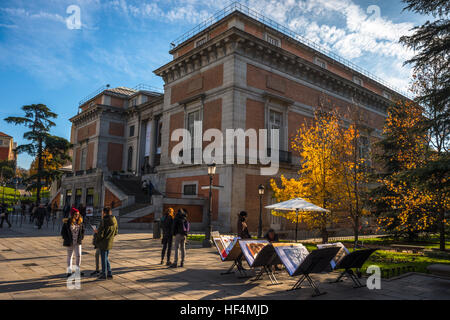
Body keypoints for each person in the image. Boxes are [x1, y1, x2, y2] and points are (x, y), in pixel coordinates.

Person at [94, 207, 118, 280]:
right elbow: (116, 232)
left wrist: (96, 233)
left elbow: (101, 234)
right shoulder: (114, 220)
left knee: (103, 259)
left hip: (103, 242)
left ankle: (104, 274)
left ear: (104, 212)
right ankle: (109, 273)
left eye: (102, 212)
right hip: (110, 241)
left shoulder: (104, 221)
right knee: (106, 258)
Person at [61, 208, 85, 277]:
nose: (77, 215)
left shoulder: (80, 221)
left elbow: (83, 230)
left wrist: (81, 237)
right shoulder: (67, 222)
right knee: (69, 256)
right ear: (72, 215)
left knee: (79, 256)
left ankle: (77, 270)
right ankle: (69, 271)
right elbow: (63, 232)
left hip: (78, 242)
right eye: (76, 214)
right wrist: (67, 239)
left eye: (78, 214)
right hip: (70, 242)